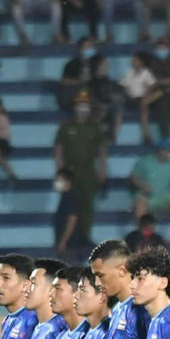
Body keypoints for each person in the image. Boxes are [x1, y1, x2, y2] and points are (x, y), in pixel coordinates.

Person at [54, 92, 107, 240]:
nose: (83, 108)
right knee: (69, 206)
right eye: (80, 104)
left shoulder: (94, 128)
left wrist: (103, 170)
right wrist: (60, 171)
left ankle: (85, 235)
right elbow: (58, 150)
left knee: (87, 206)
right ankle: (68, 237)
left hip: (88, 171)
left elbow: (101, 151)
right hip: (70, 171)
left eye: (86, 105)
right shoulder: (66, 127)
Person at [129, 140, 170, 222]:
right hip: (148, 197)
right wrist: (142, 185)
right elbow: (133, 177)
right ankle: (142, 232)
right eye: (168, 151)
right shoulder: (144, 162)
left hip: (165, 196)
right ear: (161, 151)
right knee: (140, 203)